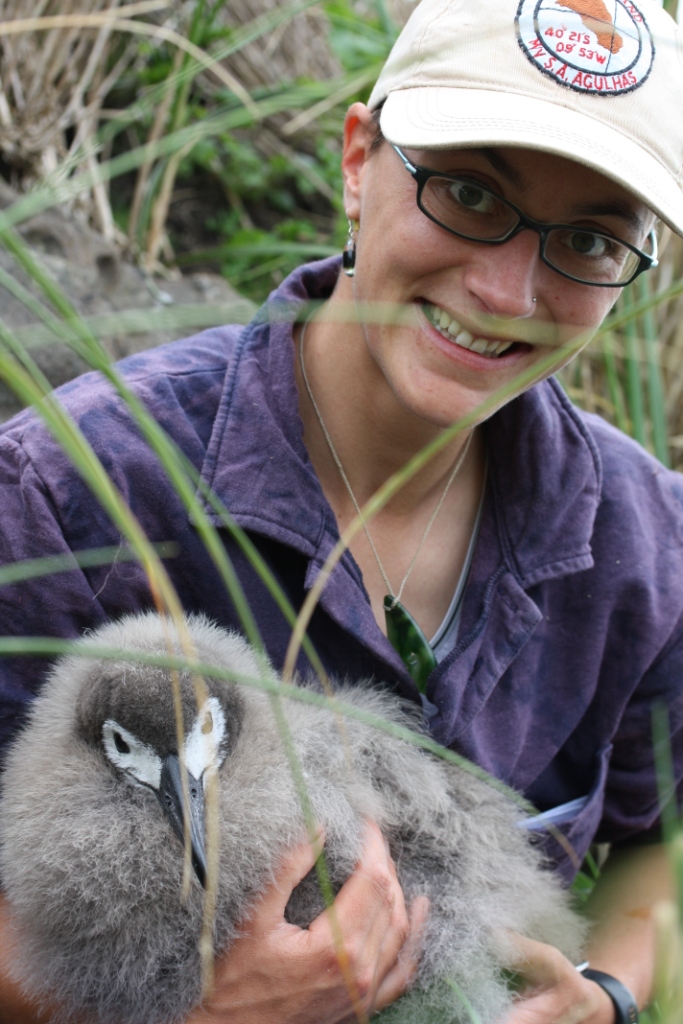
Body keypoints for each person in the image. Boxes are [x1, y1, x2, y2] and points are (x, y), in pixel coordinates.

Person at [1, 0, 683, 1020]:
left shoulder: (645, 546)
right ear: (358, 163)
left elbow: (657, 842)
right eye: (467, 191)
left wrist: (605, 997)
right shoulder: (67, 495)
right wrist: (200, 1012)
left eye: (587, 240)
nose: (503, 291)